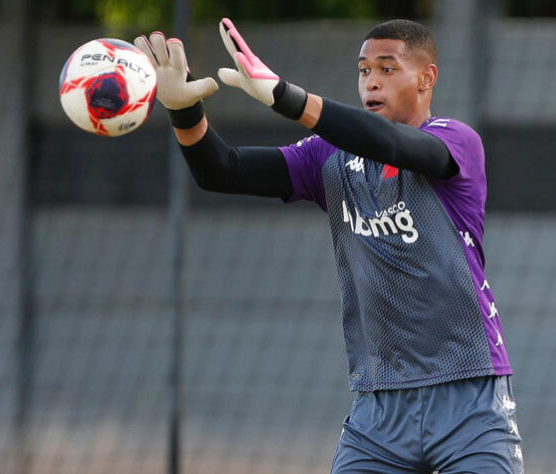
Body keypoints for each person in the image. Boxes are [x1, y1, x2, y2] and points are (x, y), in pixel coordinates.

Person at [135, 17, 524, 473]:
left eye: (386, 68)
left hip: (469, 398)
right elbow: (222, 170)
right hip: (378, 410)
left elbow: (391, 144)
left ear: (426, 78)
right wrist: (184, 111)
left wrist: (286, 96)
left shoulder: (456, 142)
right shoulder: (328, 158)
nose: (371, 82)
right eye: (363, 71)